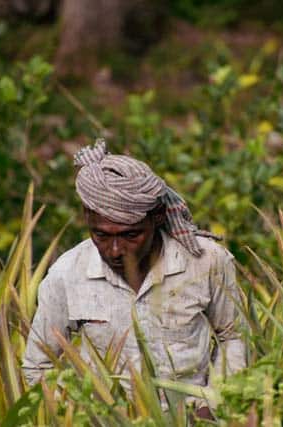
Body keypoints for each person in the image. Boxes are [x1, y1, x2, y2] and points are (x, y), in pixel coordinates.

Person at [22, 139, 246, 419]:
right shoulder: (66, 274)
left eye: (131, 235)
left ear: (157, 217)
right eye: (101, 235)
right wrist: (81, 416)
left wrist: (212, 407)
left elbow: (233, 336)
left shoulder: (207, 261)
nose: (115, 250)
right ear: (87, 218)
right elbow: (38, 366)